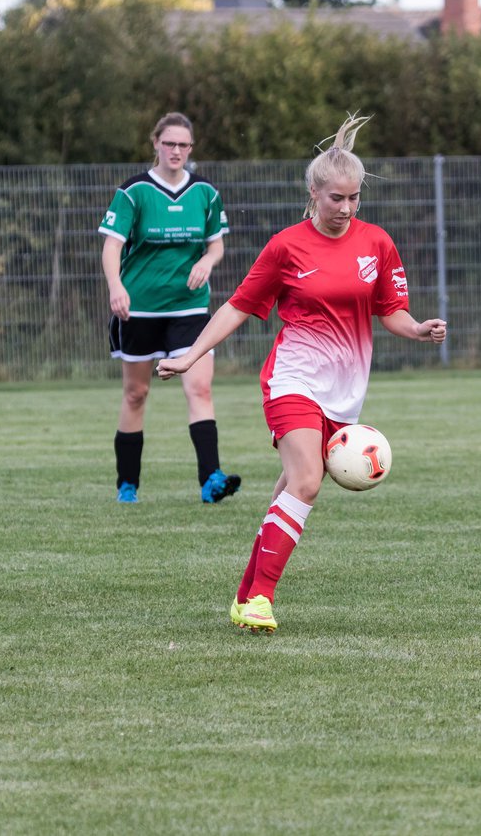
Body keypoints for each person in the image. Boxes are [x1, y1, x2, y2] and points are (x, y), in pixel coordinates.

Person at [157, 114, 447, 633]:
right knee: (308, 481)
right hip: (292, 379)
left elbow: (391, 311)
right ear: (313, 193)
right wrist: (189, 355)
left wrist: (418, 329)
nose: (347, 208)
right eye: (336, 198)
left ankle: (245, 595)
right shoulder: (286, 246)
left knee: (289, 488)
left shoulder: (376, 243)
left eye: (354, 198)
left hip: (344, 393)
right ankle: (261, 601)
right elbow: (238, 307)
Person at [99, 112, 241, 505]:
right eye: (169, 143)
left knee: (200, 388)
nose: (176, 151)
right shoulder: (134, 192)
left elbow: (216, 245)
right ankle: (127, 484)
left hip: (189, 309)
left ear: (190, 148)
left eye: (184, 145)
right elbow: (112, 245)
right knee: (136, 394)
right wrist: (116, 287)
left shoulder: (205, 194)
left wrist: (207, 261)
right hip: (139, 309)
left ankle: (211, 479)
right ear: (156, 144)